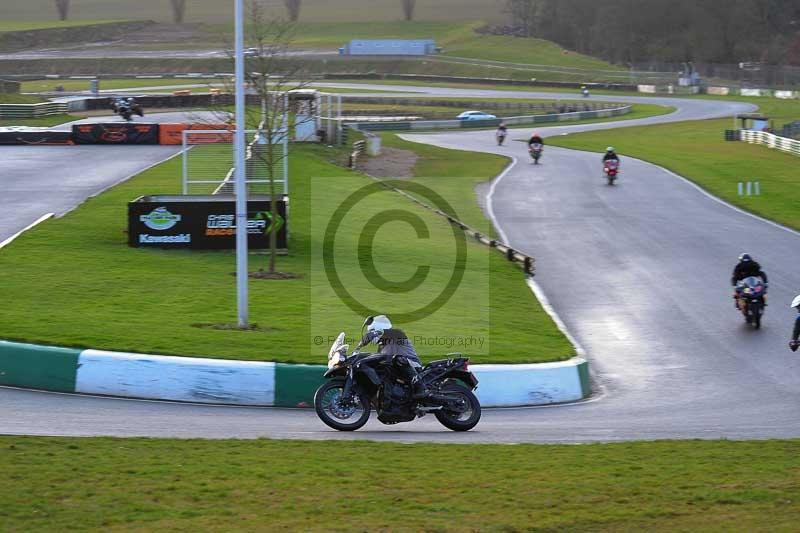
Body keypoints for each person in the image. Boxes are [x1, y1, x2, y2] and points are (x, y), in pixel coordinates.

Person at [357, 315, 428, 399]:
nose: (370, 333)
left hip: (413, 365)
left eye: (372, 330)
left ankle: (421, 388)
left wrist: (373, 334)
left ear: (379, 328)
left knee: (397, 359)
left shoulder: (397, 334)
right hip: (397, 372)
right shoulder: (381, 346)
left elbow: (383, 333)